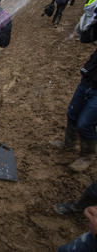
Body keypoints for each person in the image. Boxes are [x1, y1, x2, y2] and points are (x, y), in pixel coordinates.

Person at [54, 0, 97, 171]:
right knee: (72, 114)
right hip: (88, 78)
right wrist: (90, 17)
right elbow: (85, 37)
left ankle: (87, 155)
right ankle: (68, 144)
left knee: (85, 124)